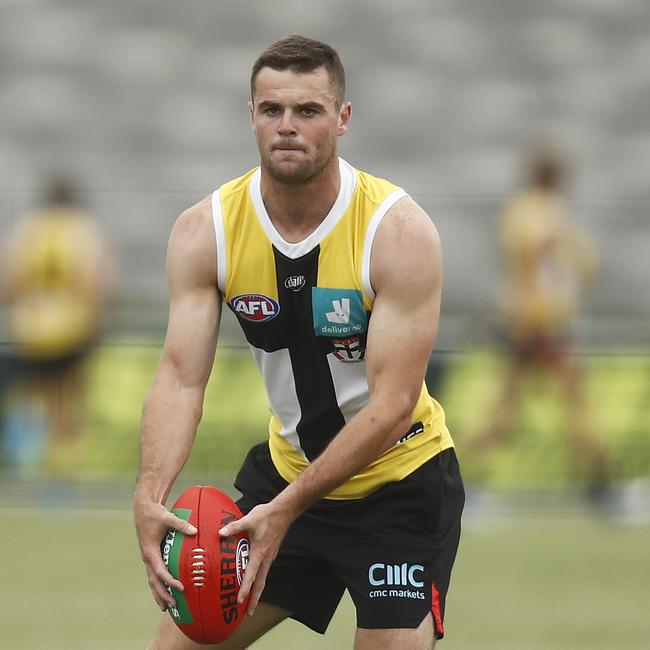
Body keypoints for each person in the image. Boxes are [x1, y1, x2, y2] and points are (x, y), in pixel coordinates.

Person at [133, 35, 464, 650]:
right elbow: (181, 378)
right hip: (284, 479)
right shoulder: (205, 231)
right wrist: (148, 496)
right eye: (271, 110)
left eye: (308, 111)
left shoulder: (397, 232)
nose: (287, 127)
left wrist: (286, 508)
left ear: (342, 120)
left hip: (397, 486)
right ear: (251, 116)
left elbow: (392, 406)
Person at [466, 146, 609, 498]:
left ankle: (467, 478)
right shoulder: (543, 211)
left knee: (509, 405)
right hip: (539, 323)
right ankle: (601, 482)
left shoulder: (520, 210)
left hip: (528, 320)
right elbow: (537, 258)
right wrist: (536, 315)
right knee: (570, 401)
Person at [0, 175, 114, 475]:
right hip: (71, 329)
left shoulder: (27, 229)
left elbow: (9, 283)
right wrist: (95, 324)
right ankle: (61, 480)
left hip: (29, 329)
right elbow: (95, 283)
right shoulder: (84, 230)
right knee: (67, 403)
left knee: (31, 399)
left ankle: (24, 468)